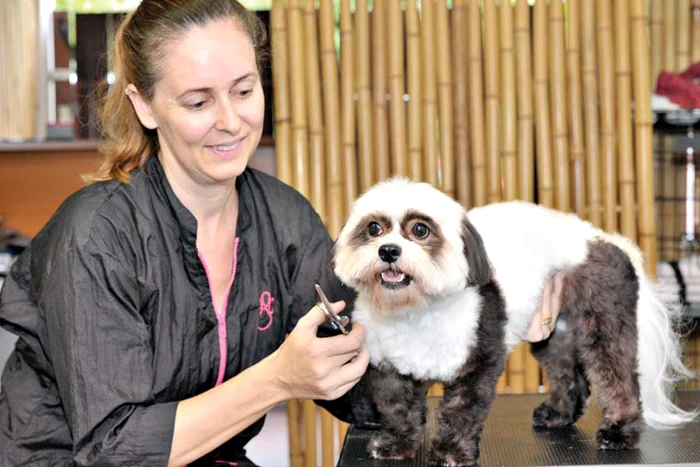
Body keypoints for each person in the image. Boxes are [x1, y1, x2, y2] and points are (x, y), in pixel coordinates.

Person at [0, 1, 561, 465]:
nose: (230, 120)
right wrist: (277, 380)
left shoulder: (283, 219)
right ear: (144, 105)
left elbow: (359, 384)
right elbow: (113, 448)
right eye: (198, 101)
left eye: (244, 91)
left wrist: (485, 307)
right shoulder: (98, 236)